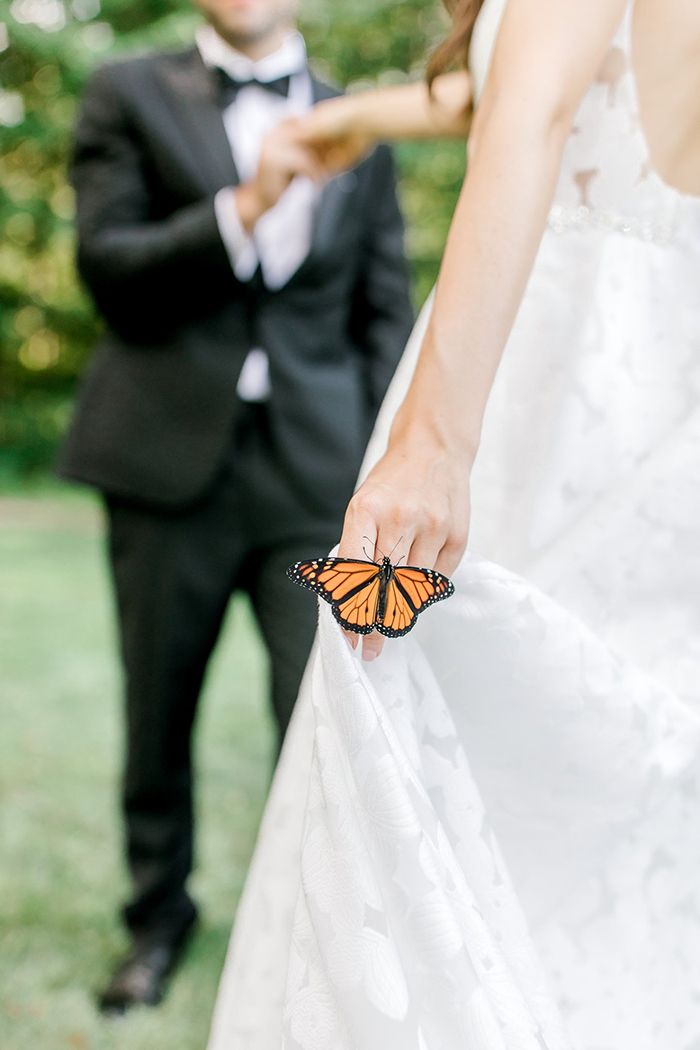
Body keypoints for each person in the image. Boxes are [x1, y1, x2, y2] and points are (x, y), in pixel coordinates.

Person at [206, 0, 700, 1046]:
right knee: (627, 800)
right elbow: (568, 85)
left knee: (464, 756)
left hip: (547, 387)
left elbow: (531, 115)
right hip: (669, 381)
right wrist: (364, 118)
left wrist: (433, 440)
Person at [58, 0, 413, 1014]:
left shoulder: (364, 118)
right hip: (165, 461)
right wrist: (243, 207)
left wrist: (383, 459)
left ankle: (311, 933)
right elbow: (108, 270)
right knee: (157, 710)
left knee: (324, 715)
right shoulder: (126, 90)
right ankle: (156, 922)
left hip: (315, 471)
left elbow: (382, 303)